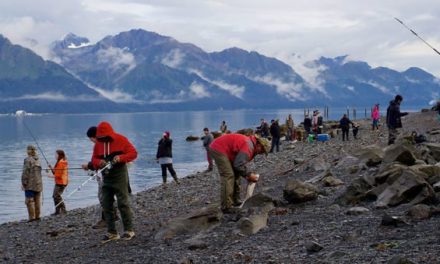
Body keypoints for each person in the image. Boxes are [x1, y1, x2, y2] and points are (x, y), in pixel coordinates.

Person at [91, 121, 138, 243]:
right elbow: (94, 159)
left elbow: (133, 153)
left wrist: (120, 158)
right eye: (100, 137)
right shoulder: (98, 144)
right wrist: (99, 162)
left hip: (120, 175)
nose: (103, 139)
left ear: (109, 133)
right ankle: (112, 232)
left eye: (104, 136)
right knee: (106, 204)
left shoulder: (121, 139)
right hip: (106, 177)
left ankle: (129, 230)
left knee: (123, 203)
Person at [209, 134, 271, 213]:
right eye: (262, 150)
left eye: (263, 152)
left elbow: (239, 165)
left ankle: (235, 200)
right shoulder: (248, 147)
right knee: (228, 175)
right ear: (259, 144)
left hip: (226, 150)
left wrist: (247, 175)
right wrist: (248, 175)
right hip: (218, 148)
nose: (261, 153)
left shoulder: (252, 145)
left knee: (236, 174)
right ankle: (226, 207)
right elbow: (238, 164)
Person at [21, 145, 43, 222]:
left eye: (27, 150)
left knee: (29, 201)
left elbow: (25, 172)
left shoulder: (27, 160)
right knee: (37, 201)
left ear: (28, 151)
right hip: (39, 184)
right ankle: (38, 216)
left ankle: (32, 218)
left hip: (30, 185)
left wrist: (24, 183)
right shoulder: (38, 160)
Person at [48, 150, 68, 215]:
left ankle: (63, 210)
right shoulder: (59, 162)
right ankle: (57, 211)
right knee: (55, 196)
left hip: (62, 182)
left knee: (56, 196)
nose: (55, 156)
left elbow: (59, 175)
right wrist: (51, 168)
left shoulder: (61, 162)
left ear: (59, 155)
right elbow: (55, 172)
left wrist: (51, 176)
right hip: (59, 182)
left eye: (56, 154)